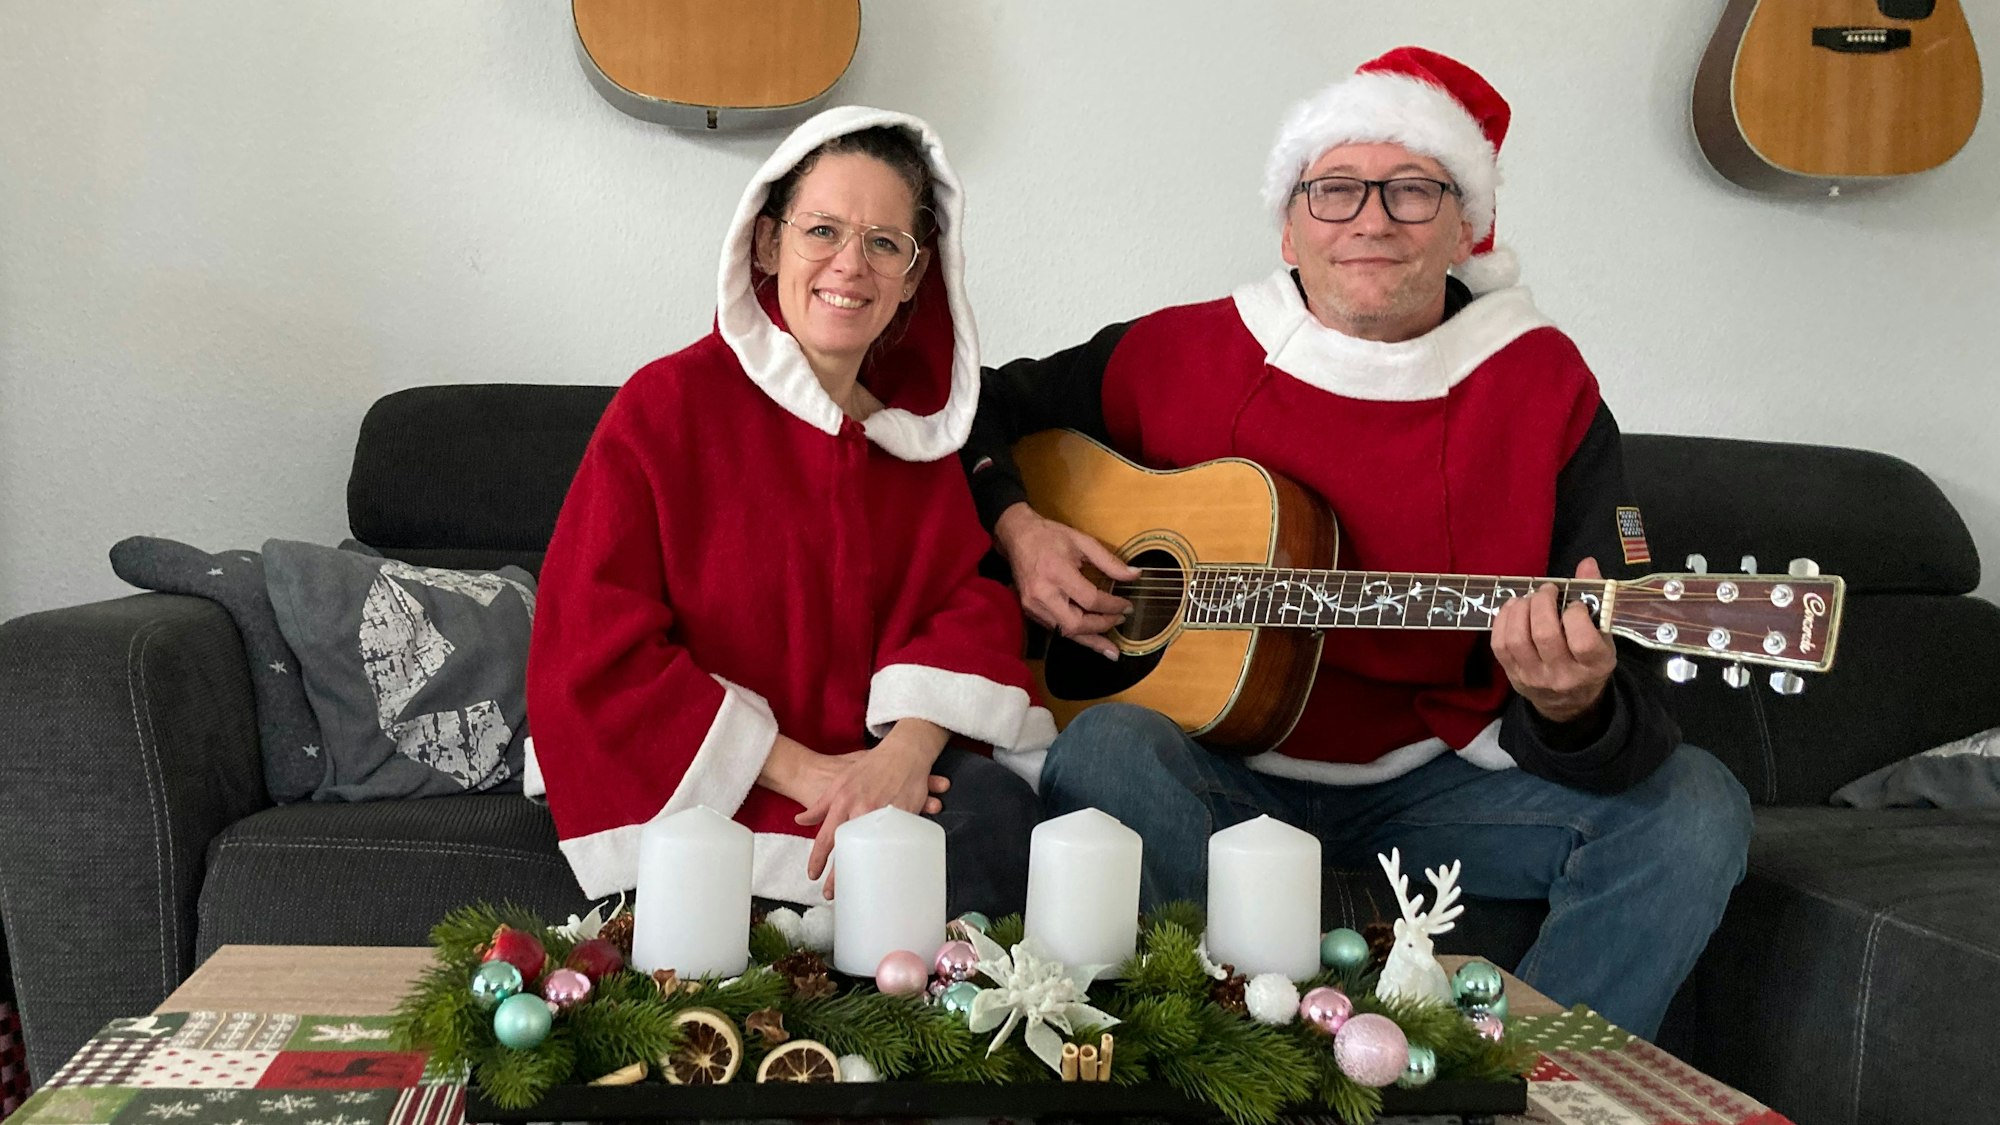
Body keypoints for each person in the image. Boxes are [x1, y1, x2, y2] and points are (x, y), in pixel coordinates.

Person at [958, 48, 1751, 1038]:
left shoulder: (1539, 385)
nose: (1370, 220)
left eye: (1411, 191)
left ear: (1464, 225)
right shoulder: (1180, 351)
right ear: (1288, 225)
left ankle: (1525, 1083)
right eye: (1333, 191)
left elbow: (1613, 693)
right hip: (1213, 777)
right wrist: (1020, 527)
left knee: (1694, 808)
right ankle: (1220, 1068)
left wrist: (1572, 703)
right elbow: (969, 406)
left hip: (1433, 784)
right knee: (1105, 745)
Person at [527, 107, 1052, 919]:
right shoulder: (665, 409)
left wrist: (906, 751)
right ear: (768, 243)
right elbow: (594, 641)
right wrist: (802, 769)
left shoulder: (909, 445)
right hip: (721, 789)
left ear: (916, 276)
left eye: (885, 243)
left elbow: (968, 600)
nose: (851, 265)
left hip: (877, 781)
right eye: (823, 231)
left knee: (1002, 820)